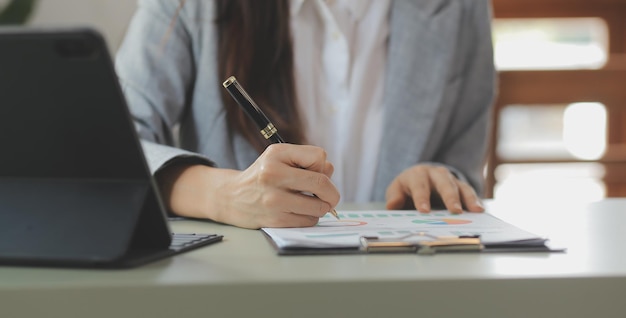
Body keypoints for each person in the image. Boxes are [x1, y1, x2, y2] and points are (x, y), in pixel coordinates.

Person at [115, 0, 496, 229]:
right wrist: (223, 195)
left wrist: (435, 183)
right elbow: (112, 145)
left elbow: (461, 173)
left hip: (400, 296)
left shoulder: (462, 9)